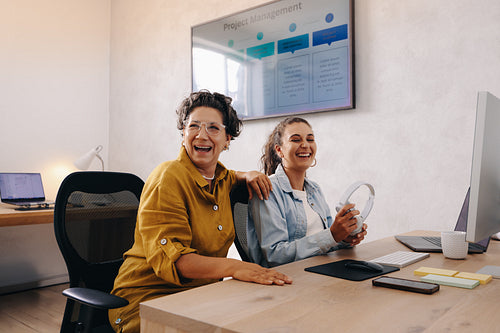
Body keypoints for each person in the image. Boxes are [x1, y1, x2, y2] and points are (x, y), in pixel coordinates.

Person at [109, 91, 292, 333]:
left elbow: (228, 176)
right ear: (183, 134)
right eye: (193, 126)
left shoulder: (222, 179)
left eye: (213, 128)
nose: (202, 134)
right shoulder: (168, 177)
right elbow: (178, 260)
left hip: (201, 296)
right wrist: (234, 267)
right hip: (147, 301)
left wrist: (247, 174)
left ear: (227, 139)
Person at [247, 117, 368, 268]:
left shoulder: (314, 189)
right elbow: (275, 255)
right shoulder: (267, 189)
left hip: (322, 270)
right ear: (279, 150)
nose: (305, 145)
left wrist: (345, 237)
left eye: (310, 139)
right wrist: (331, 236)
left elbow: (328, 242)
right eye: (296, 140)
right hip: (290, 279)